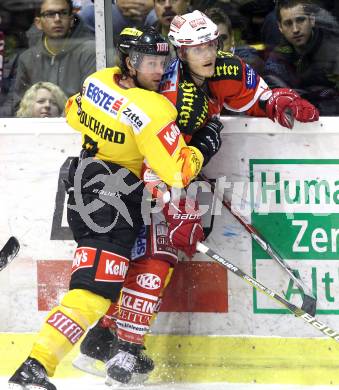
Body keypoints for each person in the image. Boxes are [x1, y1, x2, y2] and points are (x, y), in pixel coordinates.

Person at [72, 9, 320, 386]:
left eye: (211, 43)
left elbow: (254, 95)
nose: (207, 53)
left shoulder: (224, 68)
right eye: (196, 47)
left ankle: (105, 340)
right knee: (156, 256)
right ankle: (123, 348)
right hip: (134, 179)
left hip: (175, 172)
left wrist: (276, 102)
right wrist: (174, 207)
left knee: (157, 258)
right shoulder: (162, 88)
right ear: (179, 52)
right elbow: (152, 152)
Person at [8, 25, 208, 390]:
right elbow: (179, 172)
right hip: (112, 199)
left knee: (103, 285)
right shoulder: (154, 106)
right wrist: (204, 146)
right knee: (94, 291)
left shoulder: (98, 80)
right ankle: (36, 364)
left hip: (85, 185)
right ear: (130, 62)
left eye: (162, 61)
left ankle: (79, 351)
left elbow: (72, 111)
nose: (158, 69)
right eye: (149, 61)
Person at [12, 0, 96, 113]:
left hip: (75, 127)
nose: (57, 19)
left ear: (71, 20)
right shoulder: (28, 59)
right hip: (36, 127)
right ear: (38, 23)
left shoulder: (89, 53)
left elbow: (92, 105)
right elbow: (19, 106)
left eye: (63, 13)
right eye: (50, 14)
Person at [264, 0, 339, 115]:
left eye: (300, 20)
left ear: (312, 20)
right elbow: (276, 95)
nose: (295, 29)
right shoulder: (278, 57)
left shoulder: (334, 51)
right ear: (280, 27)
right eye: (288, 23)